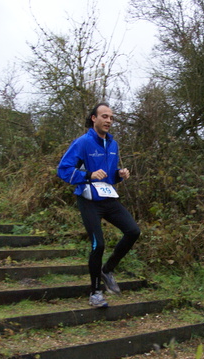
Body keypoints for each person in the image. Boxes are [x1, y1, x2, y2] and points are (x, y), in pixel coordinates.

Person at [57, 103, 140, 308]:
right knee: (98, 244)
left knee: (133, 231)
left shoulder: (113, 145)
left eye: (111, 118)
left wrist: (120, 174)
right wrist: (88, 175)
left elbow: (109, 176)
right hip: (88, 200)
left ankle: (107, 269)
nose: (109, 121)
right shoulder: (83, 142)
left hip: (108, 198)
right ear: (94, 118)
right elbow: (63, 169)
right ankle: (95, 293)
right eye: (104, 116)